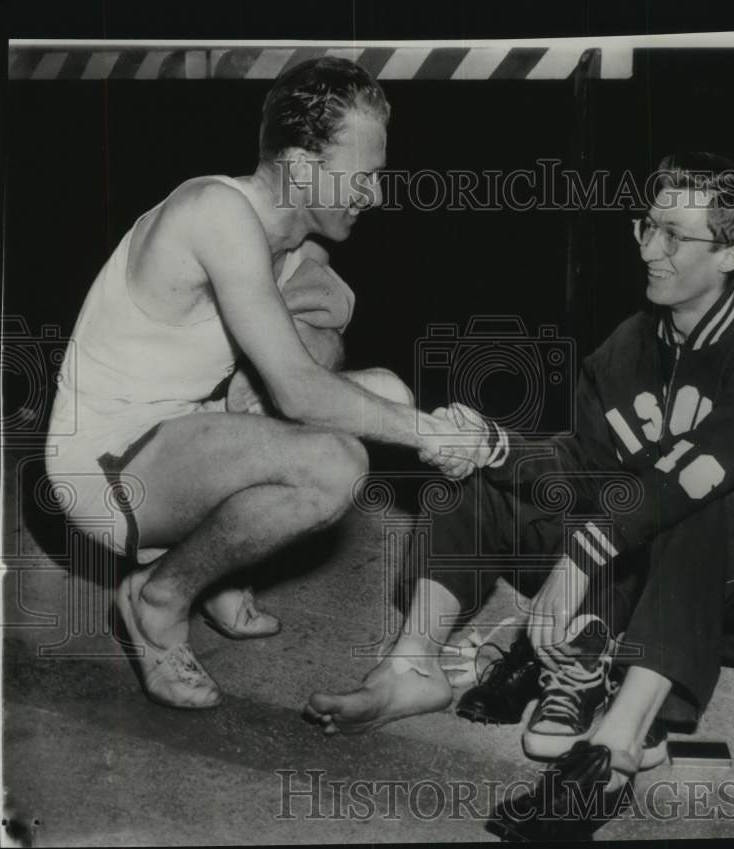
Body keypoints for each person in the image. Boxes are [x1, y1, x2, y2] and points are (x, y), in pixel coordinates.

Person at [305, 152, 734, 840]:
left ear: (731, 251)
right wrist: (493, 445)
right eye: (646, 226)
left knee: (696, 500)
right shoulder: (628, 346)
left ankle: (615, 750)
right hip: (644, 567)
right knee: (473, 477)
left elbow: (698, 476)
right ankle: (413, 665)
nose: (649, 248)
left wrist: (583, 555)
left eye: (675, 235)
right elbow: (580, 463)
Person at [45, 57, 488, 711]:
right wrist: (431, 433)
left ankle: (217, 562)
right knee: (333, 464)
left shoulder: (293, 248)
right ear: (306, 168)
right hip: (108, 464)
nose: (375, 194)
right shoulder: (216, 211)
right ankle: (159, 597)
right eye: (362, 176)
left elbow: (316, 347)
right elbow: (301, 392)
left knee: (386, 389)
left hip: (183, 434)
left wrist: (334, 341)